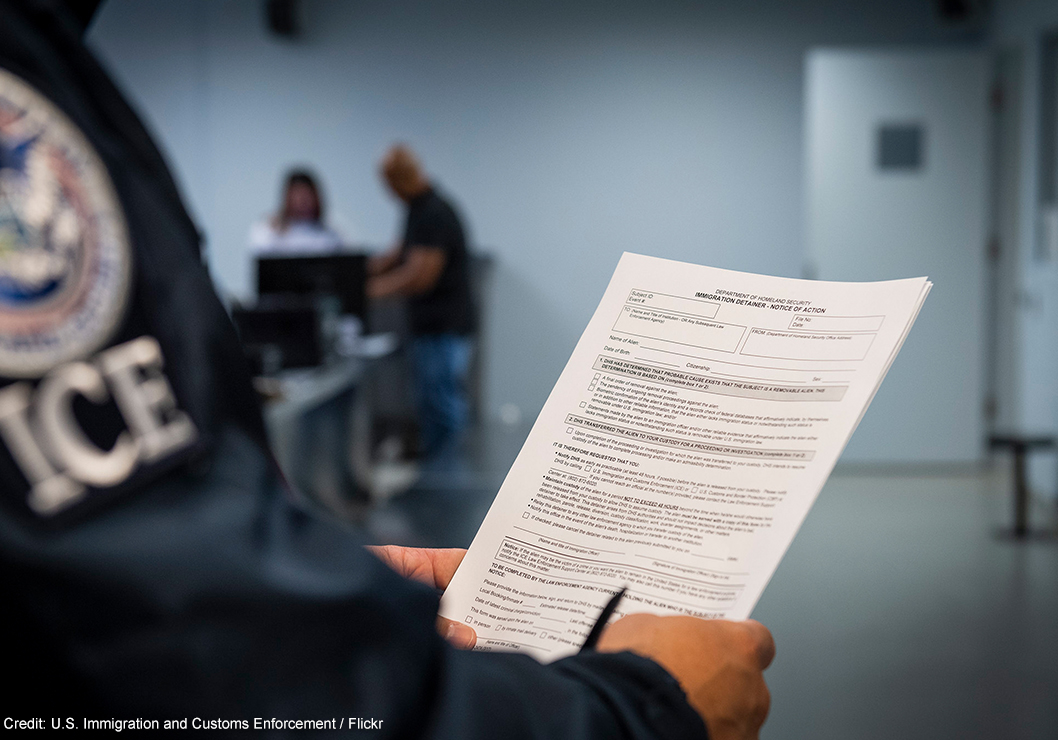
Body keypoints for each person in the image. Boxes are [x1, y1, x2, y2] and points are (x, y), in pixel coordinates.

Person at [0, 1, 775, 737]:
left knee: (441, 416)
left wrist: (325, 587)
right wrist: (643, 710)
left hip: (441, 332)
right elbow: (202, 651)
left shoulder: (431, 211)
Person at [369, 145, 476, 459]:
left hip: (444, 328)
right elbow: (398, 253)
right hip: (430, 329)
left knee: (443, 410)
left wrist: (372, 290)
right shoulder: (416, 210)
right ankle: (438, 472)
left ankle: (449, 482)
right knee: (430, 407)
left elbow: (419, 277)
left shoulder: (434, 212)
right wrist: (355, 271)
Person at [249, 169, 343, 254]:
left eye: (307, 196)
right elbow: (260, 256)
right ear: (287, 198)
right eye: (298, 196)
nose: (303, 201)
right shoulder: (268, 230)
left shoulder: (329, 235)